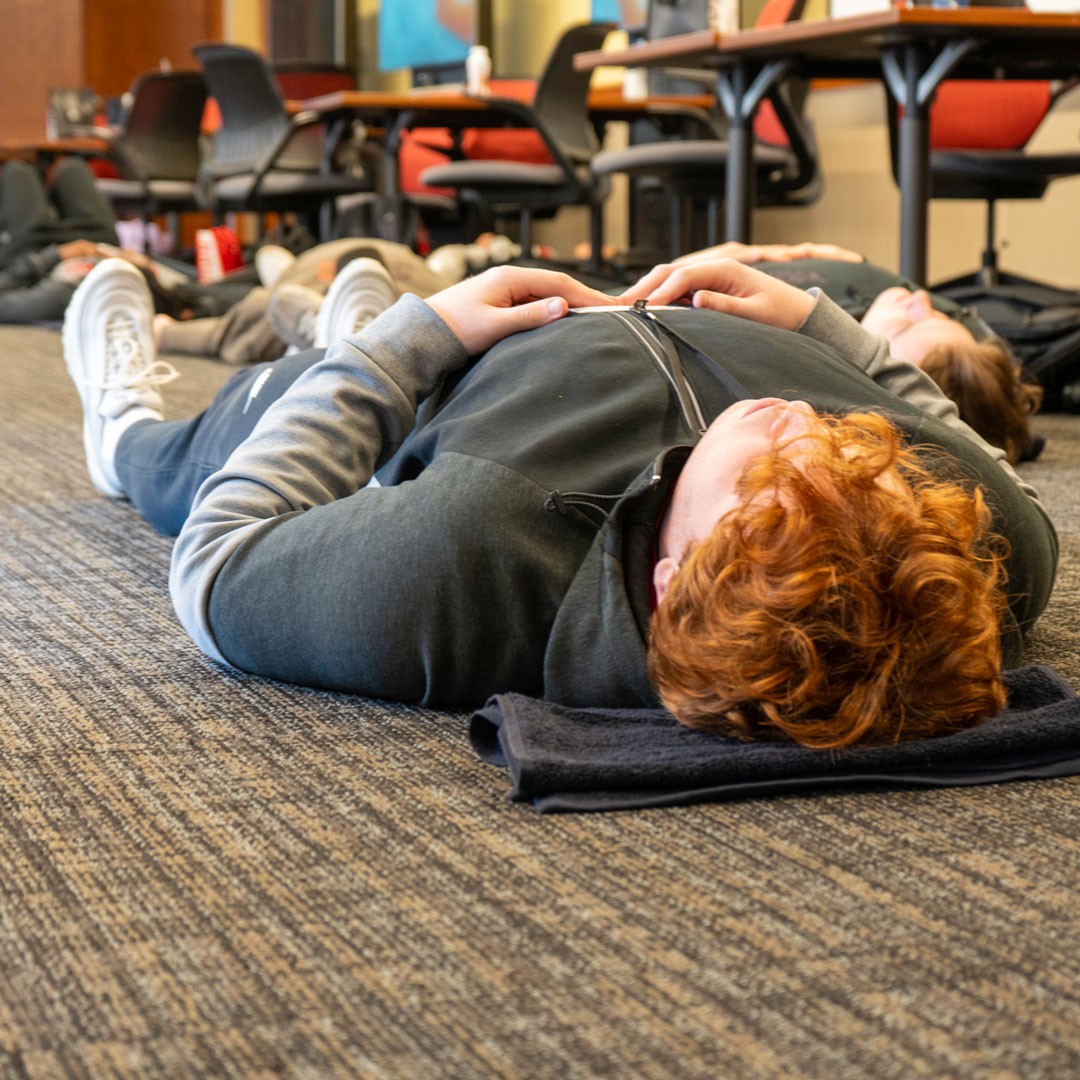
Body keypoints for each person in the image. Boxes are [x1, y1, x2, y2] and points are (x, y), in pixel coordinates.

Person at [62, 254, 1057, 750]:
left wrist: (408, 348)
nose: (797, 421)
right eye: (851, 452)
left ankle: (126, 426)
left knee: (209, 447)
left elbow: (217, 565)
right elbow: (998, 476)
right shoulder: (957, 535)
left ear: (672, 580)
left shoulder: (468, 560)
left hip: (463, 376)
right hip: (640, 313)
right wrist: (822, 326)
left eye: (768, 478)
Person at [0, 158, 255, 328]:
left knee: (17, 172)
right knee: (73, 168)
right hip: (98, 240)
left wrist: (55, 256)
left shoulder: (71, 294)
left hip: (36, 247)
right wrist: (142, 264)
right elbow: (205, 289)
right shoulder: (170, 287)